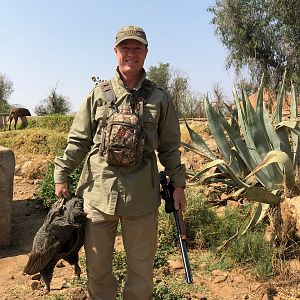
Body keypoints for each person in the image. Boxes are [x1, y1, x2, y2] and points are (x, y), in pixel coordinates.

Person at [54, 25, 186, 300]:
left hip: (142, 196)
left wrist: (178, 185)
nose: (131, 53)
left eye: (137, 48)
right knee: (98, 268)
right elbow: (79, 140)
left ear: (146, 52)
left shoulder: (159, 98)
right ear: (115, 52)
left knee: (141, 269)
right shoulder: (97, 94)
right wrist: (61, 173)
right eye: (125, 47)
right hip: (98, 193)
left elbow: (170, 148)